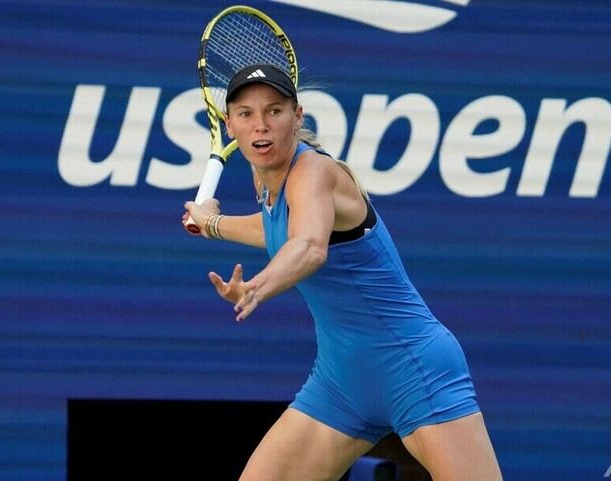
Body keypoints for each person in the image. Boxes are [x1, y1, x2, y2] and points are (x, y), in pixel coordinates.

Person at [183, 63, 504, 481]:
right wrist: (212, 223)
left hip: (414, 369)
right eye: (246, 114)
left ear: (297, 117)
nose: (261, 125)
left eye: (274, 111)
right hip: (340, 384)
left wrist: (259, 286)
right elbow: (278, 229)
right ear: (229, 125)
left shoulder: (314, 171)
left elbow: (309, 246)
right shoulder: (267, 181)